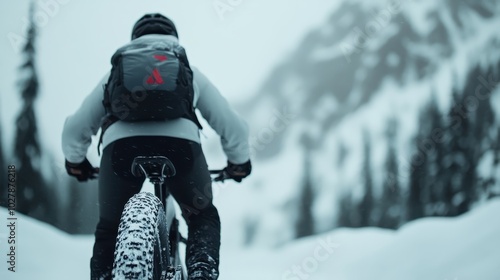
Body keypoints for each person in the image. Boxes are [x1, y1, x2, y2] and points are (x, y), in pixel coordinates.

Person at [62, 13, 251, 280]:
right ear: (173, 39)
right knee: (201, 216)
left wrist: (76, 162)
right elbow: (234, 128)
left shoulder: (113, 75)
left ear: (134, 42)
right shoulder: (188, 71)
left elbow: (74, 130)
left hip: (120, 151)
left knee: (110, 229)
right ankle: (201, 272)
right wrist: (238, 163)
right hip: (181, 149)